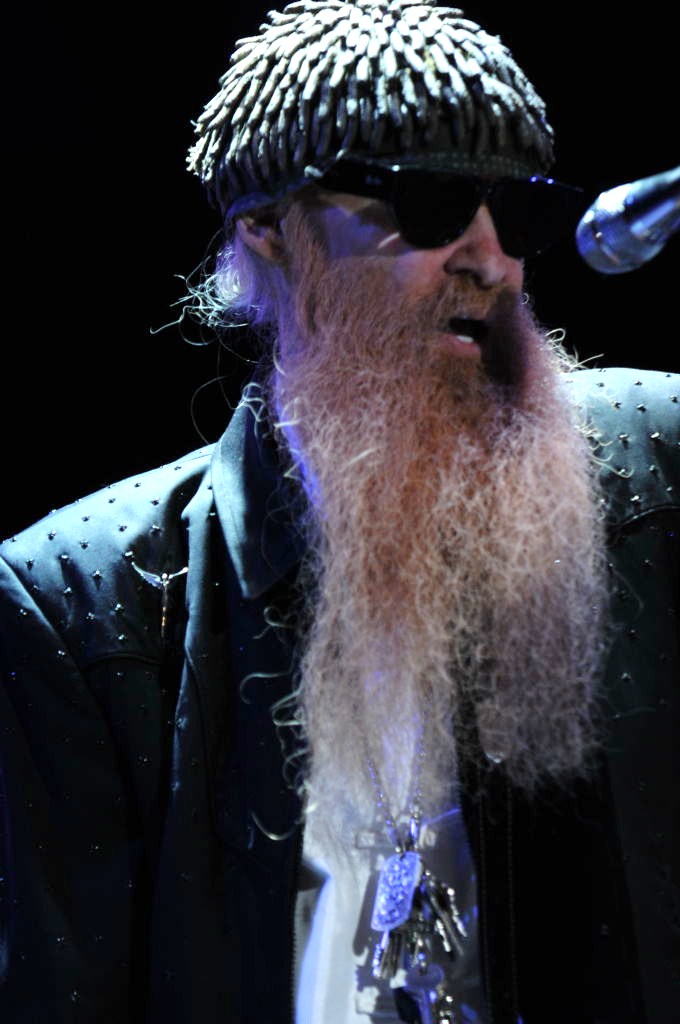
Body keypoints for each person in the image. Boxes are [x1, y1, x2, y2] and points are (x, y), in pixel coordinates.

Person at [0, 2, 678, 1022]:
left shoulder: (656, 469)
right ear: (268, 232)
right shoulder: (82, 603)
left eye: (518, 215)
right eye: (434, 204)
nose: (490, 259)